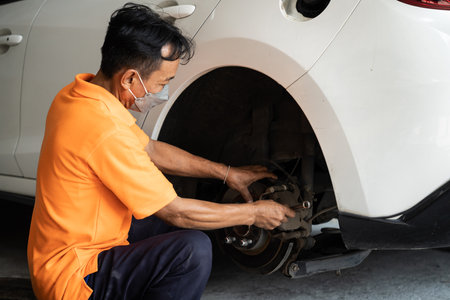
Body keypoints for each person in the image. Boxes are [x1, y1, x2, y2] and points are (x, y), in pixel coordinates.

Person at [27, 3, 295, 300]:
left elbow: (151, 149)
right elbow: (177, 212)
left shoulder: (80, 96)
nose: (162, 91)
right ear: (129, 79)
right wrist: (253, 214)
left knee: (157, 220)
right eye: (163, 82)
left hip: (62, 254)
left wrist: (229, 173)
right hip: (73, 279)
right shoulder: (104, 129)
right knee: (191, 251)